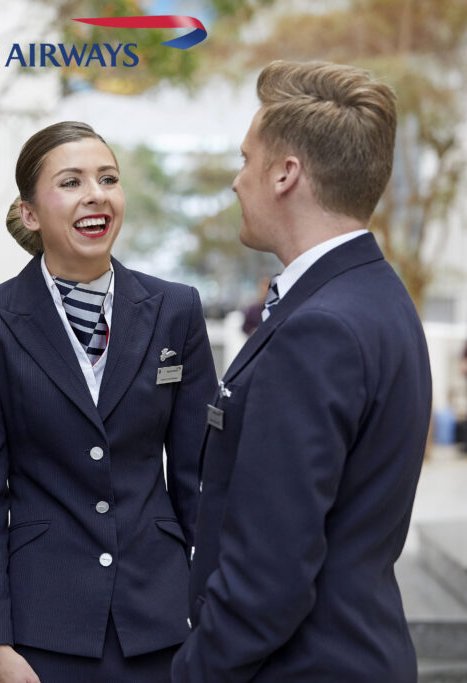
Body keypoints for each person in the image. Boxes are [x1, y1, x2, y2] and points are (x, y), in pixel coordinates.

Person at [172, 61, 431, 682]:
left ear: (286, 173)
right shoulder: (379, 296)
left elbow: (270, 573)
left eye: (245, 159)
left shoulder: (319, 329)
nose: (236, 182)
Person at [0, 121, 218, 682]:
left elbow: (199, 480)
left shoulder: (176, 309)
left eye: (108, 179)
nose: (96, 194)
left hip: (163, 621)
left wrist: (215, 612)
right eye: (71, 182)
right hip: (41, 631)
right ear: (29, 213)